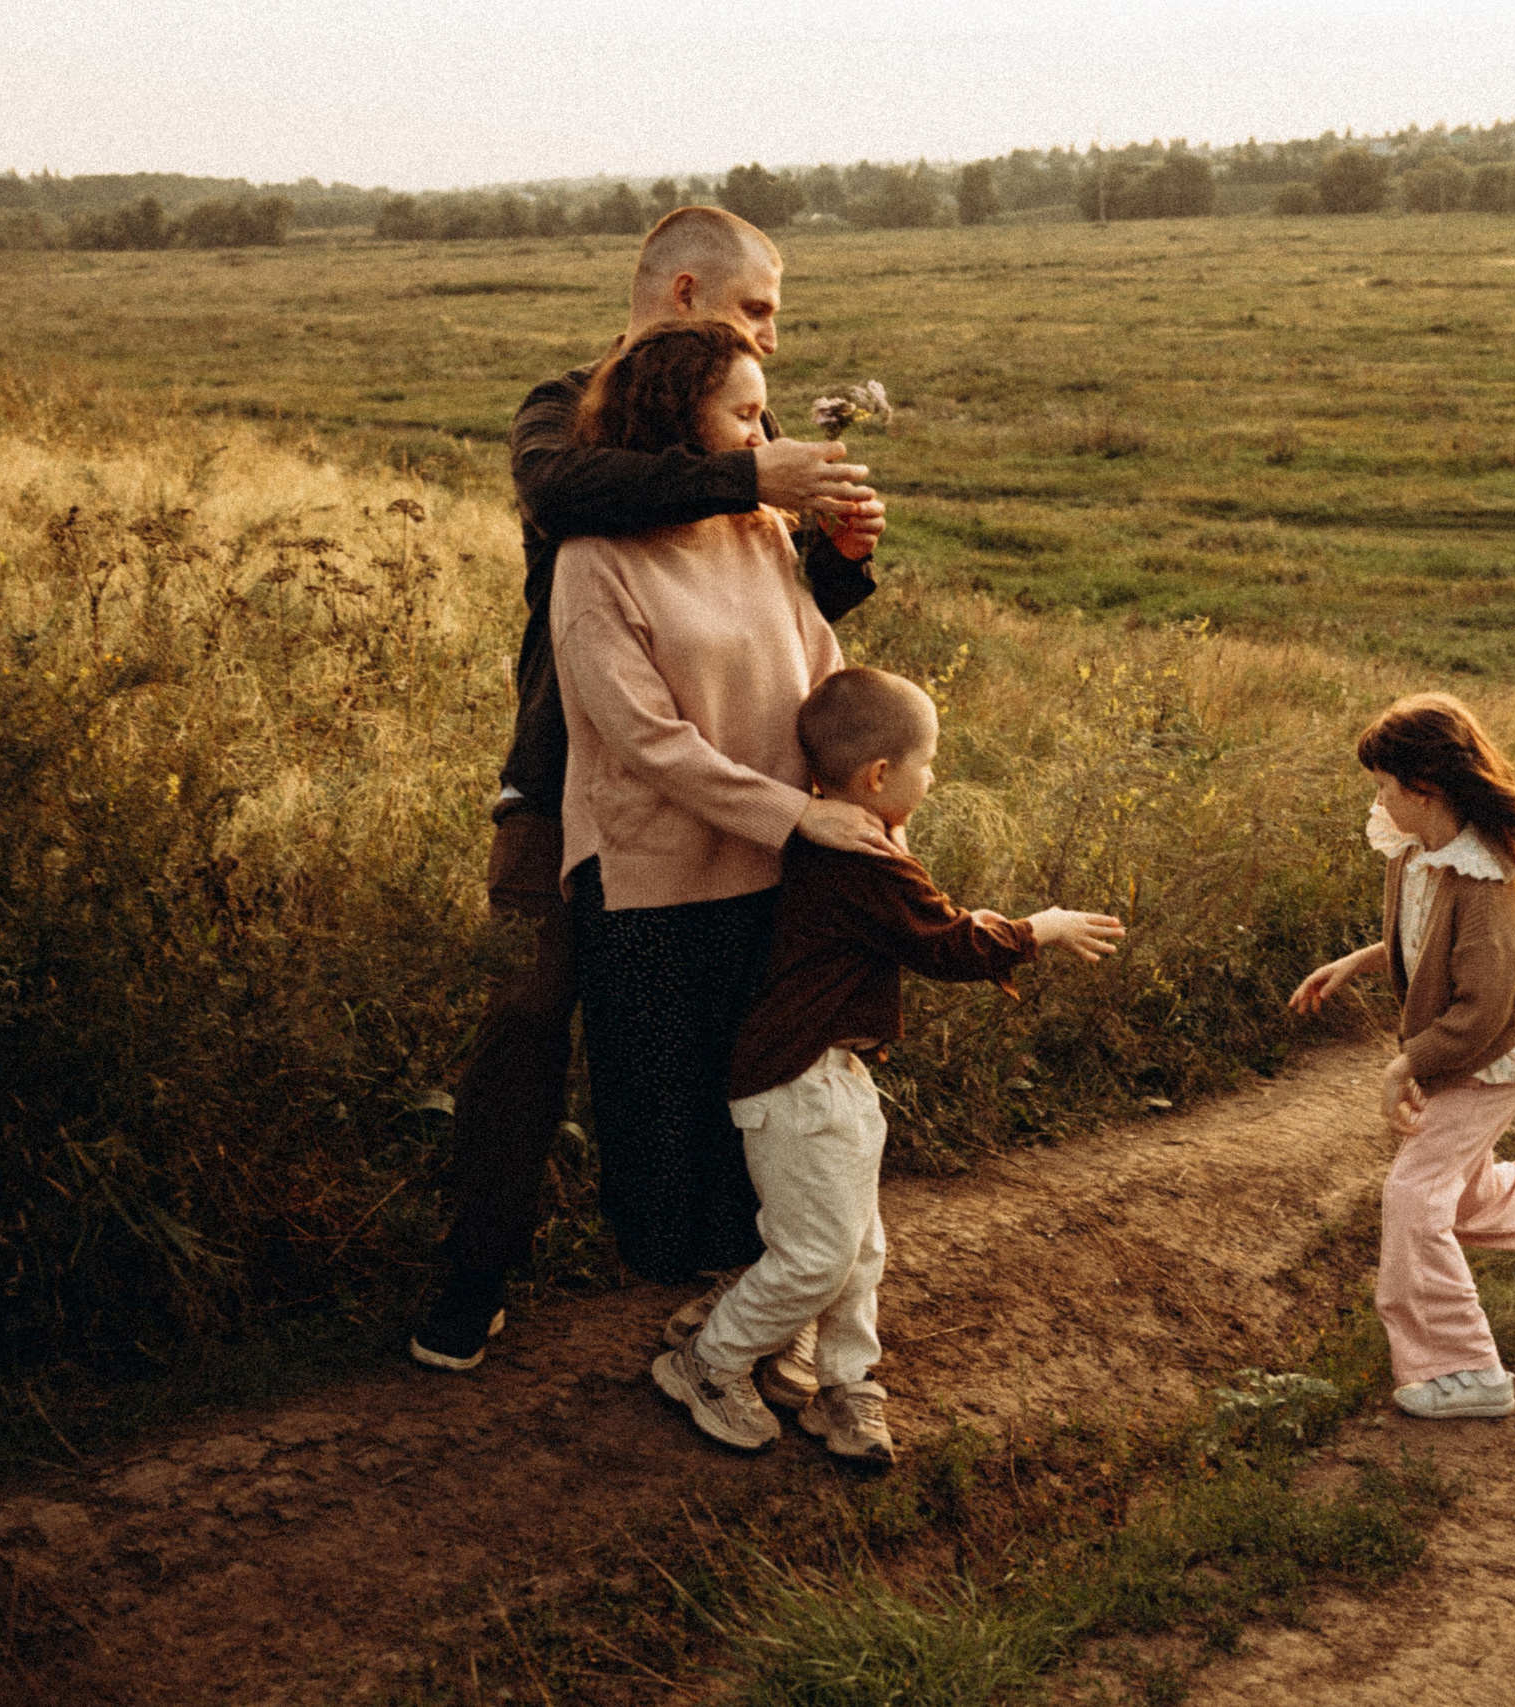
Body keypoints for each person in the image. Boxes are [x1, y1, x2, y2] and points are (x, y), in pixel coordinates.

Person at [414, 206, 886, 1372]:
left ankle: (722, 1265)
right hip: (561, 776)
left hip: (717, 787)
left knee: (720, 1024)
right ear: (685, 291)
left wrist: (839, 556)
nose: (771, 345)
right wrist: (743, 473)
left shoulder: (742, 423)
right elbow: (565, 497)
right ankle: (477, 1270)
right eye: (758, 310)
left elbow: (758, 622)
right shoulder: (564, 406)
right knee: (525, 1018)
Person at [654, 668, 1126, 1464]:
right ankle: (708, 1361)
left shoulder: (852, 842)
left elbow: (923, 920)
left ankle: (845, 1377)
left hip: (829, 1076)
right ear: (880, 776)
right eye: (929, 762)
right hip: (798, 1080)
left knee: (857, 1247)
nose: (934, 776)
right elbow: (945, 942)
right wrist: (1036, 929)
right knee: (818, 1253)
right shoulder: (864, 862)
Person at [1288, 693, 1515, 1421]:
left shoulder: (1487, 882)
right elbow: (1424, 939)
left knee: (1412, 1196)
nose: (1378, 797)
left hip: (1493, 1055)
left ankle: (1466, 1368)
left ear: (1424, 787)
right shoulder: (1417, 851)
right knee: (1450, 1192)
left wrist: (1405, 1065)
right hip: (1467, 1043)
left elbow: (1481, 1009)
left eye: (1384, 784)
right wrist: (1357, 962)